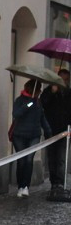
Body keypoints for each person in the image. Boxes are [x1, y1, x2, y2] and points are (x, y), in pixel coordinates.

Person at [10, 78, 52, 197]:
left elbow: (42, 118)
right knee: (21, 161)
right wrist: (28, 105)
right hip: (19, 135)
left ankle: (25, 186)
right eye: (39, 89)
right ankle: (20, 186)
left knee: (29, 160)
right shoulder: (20, 100)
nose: (39, 92)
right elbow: (16, 114)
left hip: (34, 135)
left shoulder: (38, 103)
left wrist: (49, 132)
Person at [40, 68, 71, 197]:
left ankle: (60, 183)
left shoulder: (69, 93)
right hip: (50, 129)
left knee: (61, 157)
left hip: (64, 130)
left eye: (66, 79)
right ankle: (54, 182)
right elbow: (43, 104)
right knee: (52, 157)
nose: (64, 81)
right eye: (62, 79)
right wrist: (52, 93)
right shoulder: (48, 91)